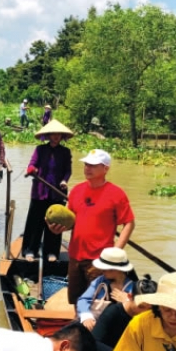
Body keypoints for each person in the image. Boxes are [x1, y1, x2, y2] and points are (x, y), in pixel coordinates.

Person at [47, 149, 135, 306]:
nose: (88, 168)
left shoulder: (116, 194)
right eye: (86, 164)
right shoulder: (76, 191)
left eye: (93, 165)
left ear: (106, 169)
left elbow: (129, 223)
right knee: (76, 301)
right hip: (75, 256)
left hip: (99, 260)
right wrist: (56, 229)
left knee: (97, 303)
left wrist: (116, 252)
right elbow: (70, 222)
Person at [21, 119, 73, 262]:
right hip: (40, 191)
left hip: (57, 192)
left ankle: (52, 252)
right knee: (35, 222)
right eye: (53, 134)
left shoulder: (65, 152)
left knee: (56, 222)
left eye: (58, 134)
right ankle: (30, 250)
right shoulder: (40, 149)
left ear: (62, 136)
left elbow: (68, 171)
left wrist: (64, 181)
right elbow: (32, 164)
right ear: (48, 135)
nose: (56, 136)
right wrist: (33, 170)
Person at [76, 247, 136, 331]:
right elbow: (83, 299)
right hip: (96, 324)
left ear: (118, 270)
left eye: (106, 269)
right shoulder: (100, 281)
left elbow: (141, 311)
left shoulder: (133, 287)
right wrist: (86, 316)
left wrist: (127, 302)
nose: (102, 271)